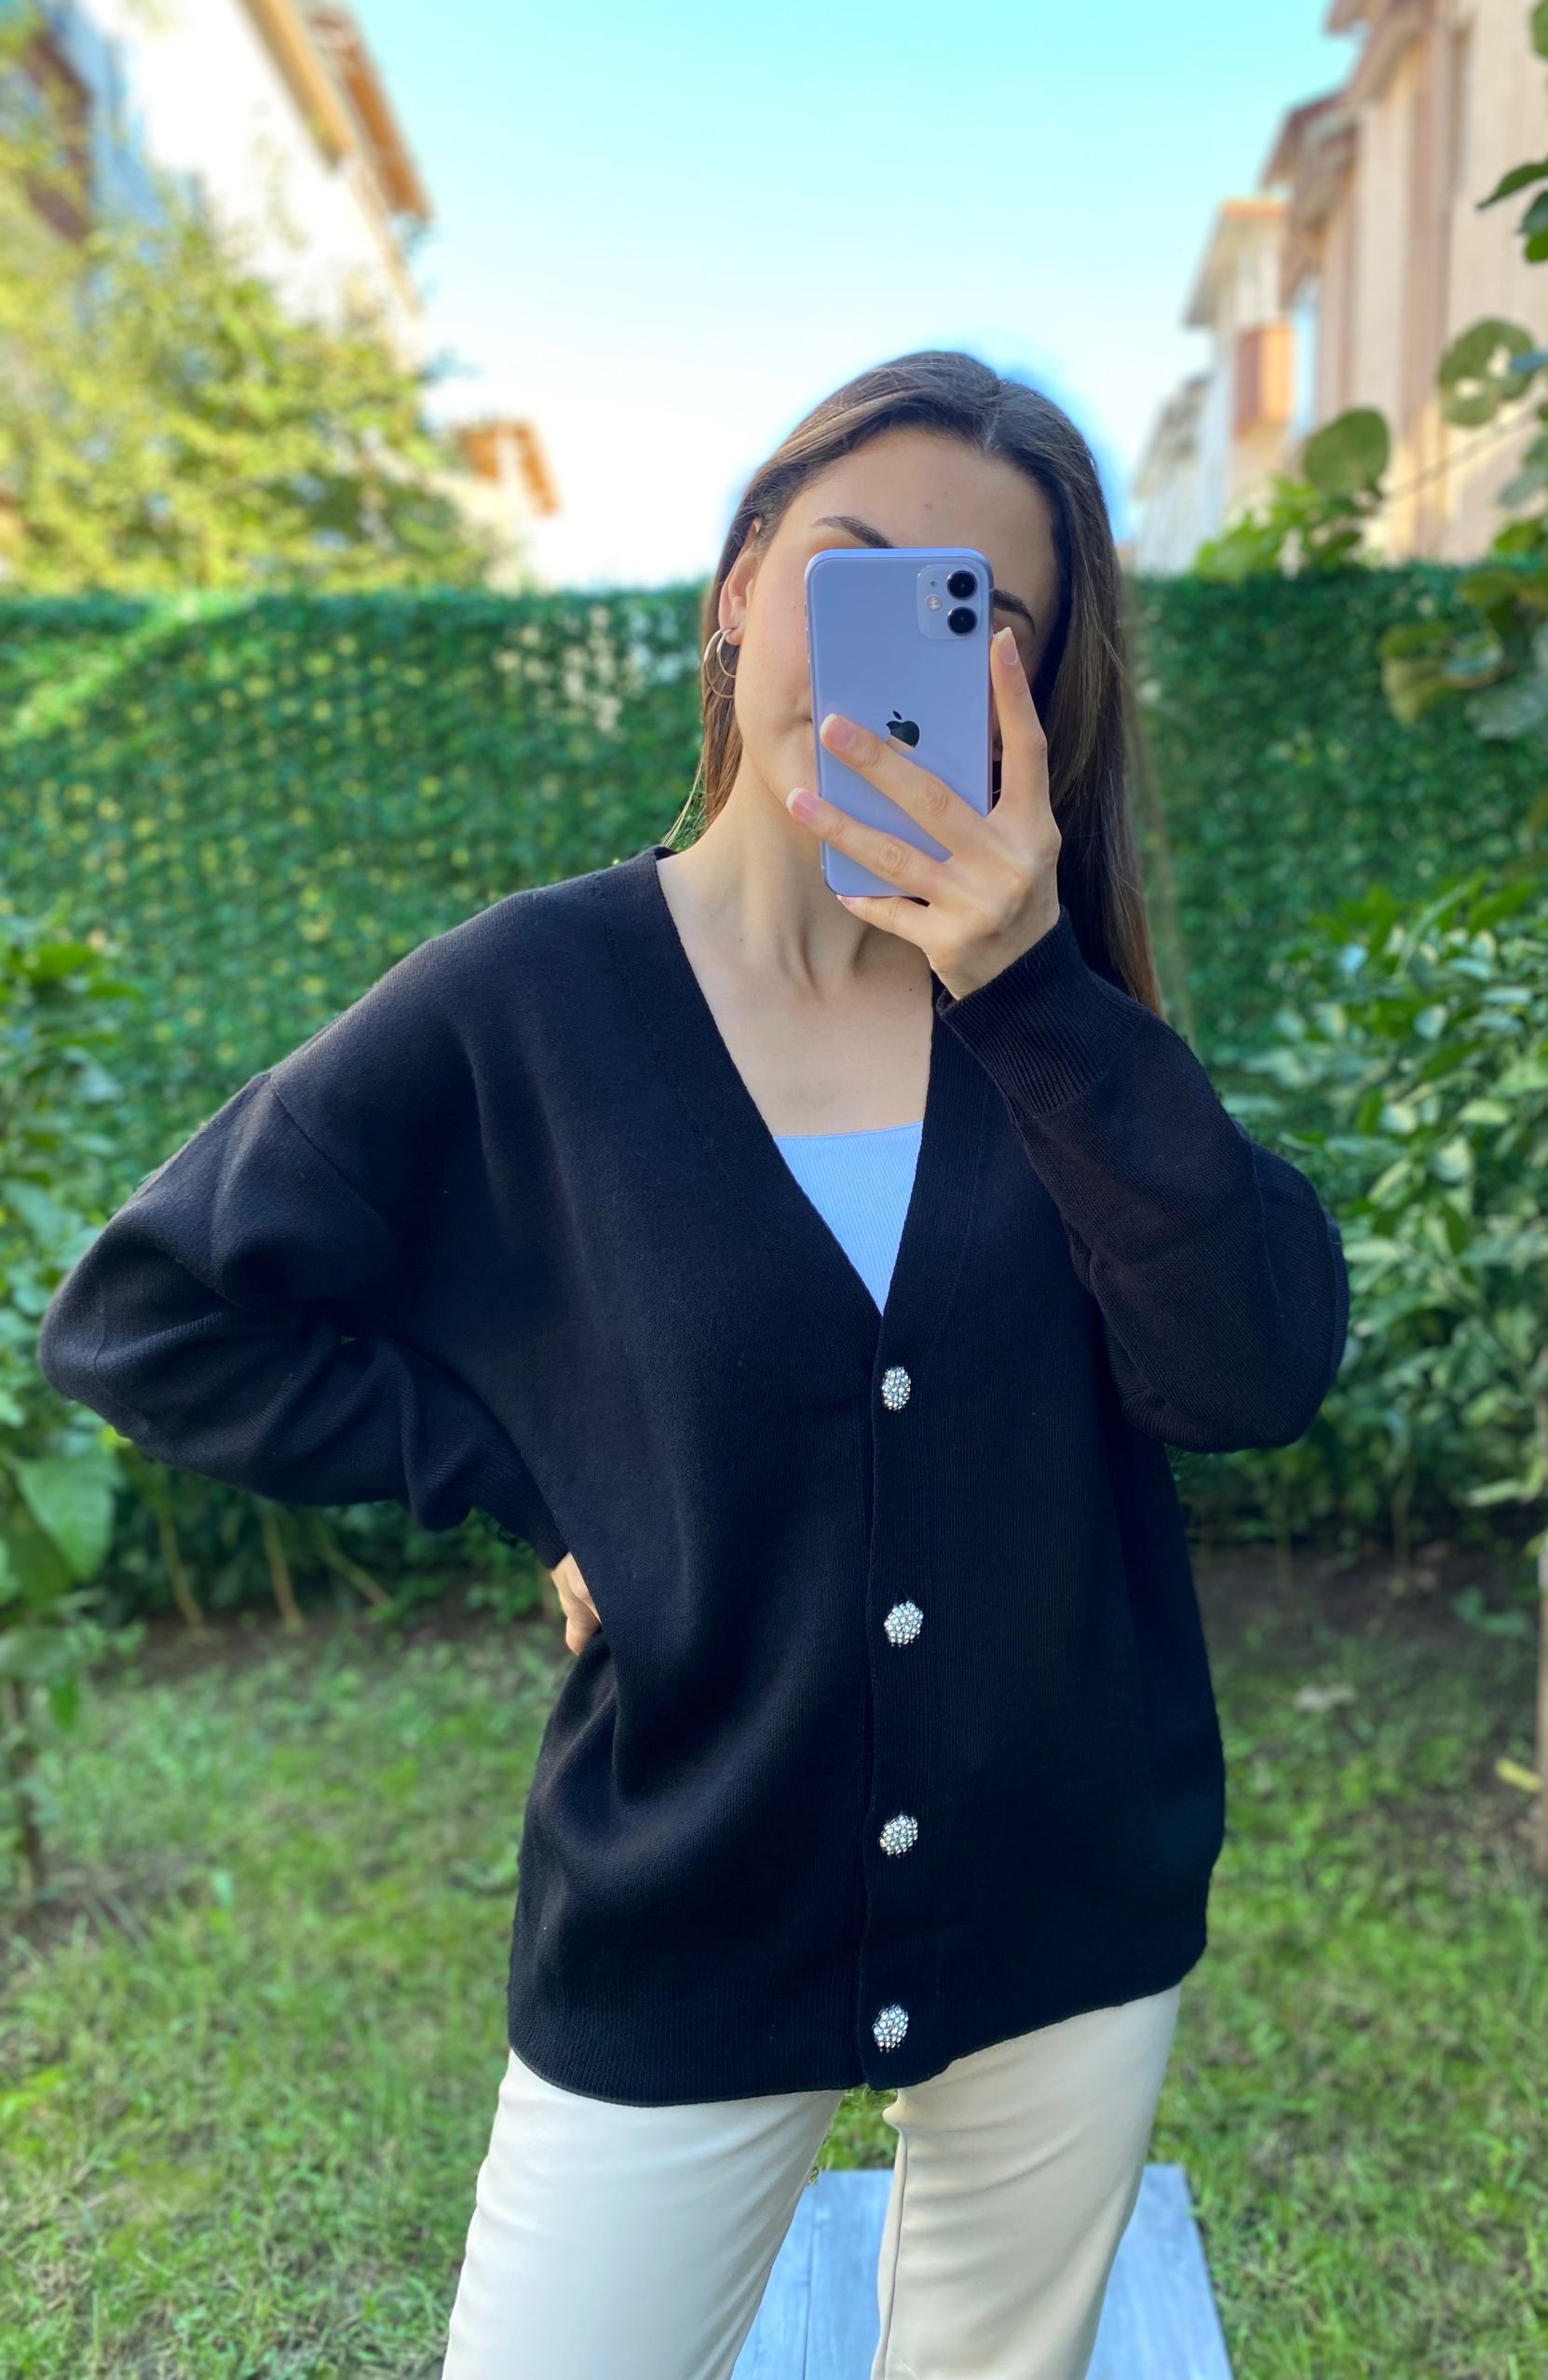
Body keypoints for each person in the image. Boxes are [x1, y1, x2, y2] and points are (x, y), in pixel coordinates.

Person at [35, 348, 1350, 2380]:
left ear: (1033, 688)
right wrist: (533, 1475)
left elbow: (1249, 1372)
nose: (901, 646)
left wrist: (1032, 991)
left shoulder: (1065, 1030)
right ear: (742, 589)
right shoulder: (530, 1001)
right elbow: (145, 1313)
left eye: (980, 615)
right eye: (851, 566)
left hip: (1070, 1888)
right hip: (686, 1898)